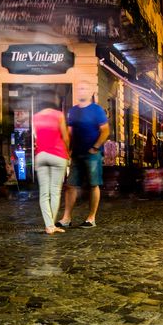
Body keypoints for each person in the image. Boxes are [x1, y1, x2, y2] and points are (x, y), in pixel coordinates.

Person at [57, 81, 110, 228]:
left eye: (85, 88)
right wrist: (68, 149)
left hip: (92, 154)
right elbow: (69, 132)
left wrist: (95, 147)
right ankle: (66, 218)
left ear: (91, 92)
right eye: (79, 88)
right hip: (77, 153)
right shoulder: (73, 111)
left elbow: (105, 130)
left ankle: (91, 218)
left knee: (93, 185)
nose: (81, 91)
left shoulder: (97, 110)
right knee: (71, 185)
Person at [33, 89, 70, 235]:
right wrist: (68, 153)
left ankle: (49, 226)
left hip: (41, 155)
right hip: (58, 155)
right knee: (55, 192)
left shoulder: (35, 117)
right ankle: (51, 226)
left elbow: (37, 137)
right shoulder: (59, 115)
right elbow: (65, 137)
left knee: (44, 193)